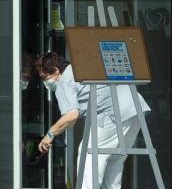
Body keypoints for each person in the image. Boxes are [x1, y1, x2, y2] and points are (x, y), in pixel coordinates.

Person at [35, 52, 150, 189]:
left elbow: (71, 115)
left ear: (55, 70)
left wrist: (50, 134)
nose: (45, 82)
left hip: (111, 114)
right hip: (135, 108)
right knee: (114, 158)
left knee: (89, 155)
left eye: (44, 77)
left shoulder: (63, 80)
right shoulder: (79, 68)